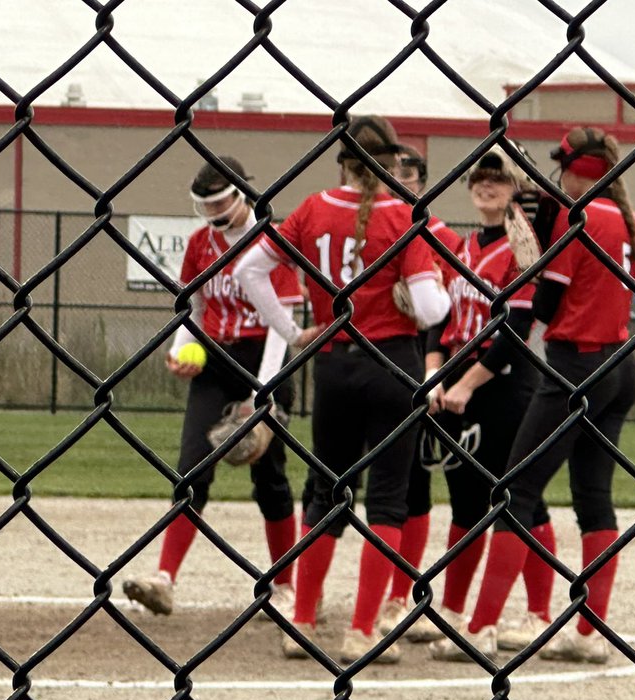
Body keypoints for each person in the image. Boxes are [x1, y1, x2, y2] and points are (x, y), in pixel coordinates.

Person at [234, 115, 451, 664]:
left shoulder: (312, 209)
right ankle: (361, 632)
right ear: (390, 162)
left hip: (333, 361)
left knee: (325, 492)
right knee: (387, 501)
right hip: (392, 366)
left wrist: (291, 332)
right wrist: (437, 290)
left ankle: (302, 621)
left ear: (342, 161)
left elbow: (249, 271)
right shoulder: (405, 217)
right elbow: (429, 309)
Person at [431, 126, 635, 664]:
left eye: (563, 168)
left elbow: (545, 307)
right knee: (593, 500)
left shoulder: (579, 220)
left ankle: (479, 627)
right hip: (621, 366)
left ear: (578, 171)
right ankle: (589, 634)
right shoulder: (629, 221)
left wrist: (539, 252)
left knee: (514, 492)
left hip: (574, 368)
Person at [122, 156, 302, 618]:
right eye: (206, 205)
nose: (215, 214)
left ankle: (284, 586)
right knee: (191, 469)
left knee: (270, 478)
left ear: (243, 194)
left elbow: (284, 325)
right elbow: (194, 308)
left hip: (266, 360)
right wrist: (183, 350)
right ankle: (164, 579)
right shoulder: (202, 243)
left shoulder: (270, 242)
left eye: (222, 202)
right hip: (214, 365)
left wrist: (262, 395)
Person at [422, 143, 558, 662]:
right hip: (456, 377)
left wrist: (464, 385)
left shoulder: (521, 247)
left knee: (519, 497)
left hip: (505, 383)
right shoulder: (462, 248)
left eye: (497, 179)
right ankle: (454, 612)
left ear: (514, 189)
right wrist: (434, 373)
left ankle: (539, 614)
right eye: (478, 178)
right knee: (464, 499)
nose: (486, 186)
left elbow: (515, 330)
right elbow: (439, 317)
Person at [376, 148, 463, 644]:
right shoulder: (372, 231)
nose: (399, 183)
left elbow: (452, 312)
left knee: (415, 479)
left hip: (425, 362)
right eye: (390, 175)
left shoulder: (444, 237)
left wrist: (436, 367)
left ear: (425, 183)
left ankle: (403, 590)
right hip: (378, 361)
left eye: (408, 176)